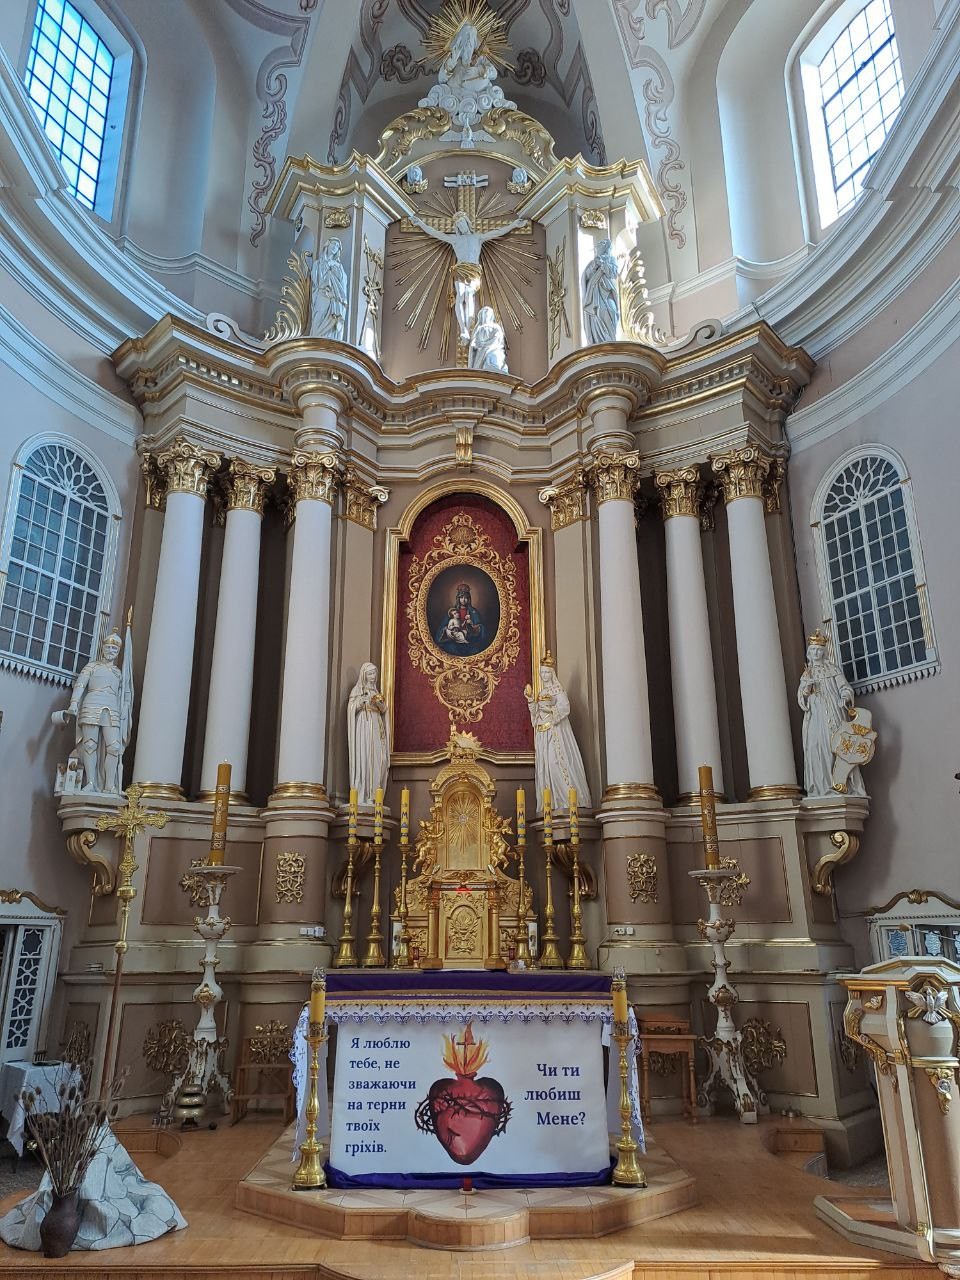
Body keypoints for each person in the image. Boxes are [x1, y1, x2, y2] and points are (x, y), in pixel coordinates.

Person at [408, 210, 526, 341]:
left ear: (467, 223)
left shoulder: (478, 237)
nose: (461, 226)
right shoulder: (455, 239)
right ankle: (463, 329)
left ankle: (468, 327)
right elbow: (435, 233)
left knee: (469, 295)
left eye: (462, 223)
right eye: (458, 224)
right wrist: (420, 224)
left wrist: (514, 225)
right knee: (460, 295)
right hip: (461, 269)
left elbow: (498, 232)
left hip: (474, 270)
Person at [53, 625, 133, 794]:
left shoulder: (119, 673)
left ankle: (109, 785)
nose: (111, 651)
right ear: (103, 648)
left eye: (114, 649)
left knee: (114, 747)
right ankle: (90, 782)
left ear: (118, 651)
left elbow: (124, 694)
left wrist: (126, 705)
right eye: (108, 647)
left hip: (112, 709)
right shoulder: (91, 667)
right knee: (90, 745)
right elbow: (80, 685)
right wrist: (74, 703)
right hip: (91, 705)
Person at [797, 630, 865, 798]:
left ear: (824, 651)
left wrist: (844, 697)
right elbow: (802, 698)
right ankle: (823, 787)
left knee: (836, 745)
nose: (816, 653)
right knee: (817, 746)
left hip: (835, 711)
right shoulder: (807, 673)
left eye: (819, 650)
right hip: (816, 714)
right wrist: (807, 687)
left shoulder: (832, 668)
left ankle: (842, 785)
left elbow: (845, 687)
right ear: (809, 653)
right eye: (813, 650)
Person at [525, 657, 592, 813]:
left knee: (555, 763)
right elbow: (535, 714)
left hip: (556, 733)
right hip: (543, 732)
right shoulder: (542, 692)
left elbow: (565, 708)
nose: (544, 675)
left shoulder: (557, 690)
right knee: (546, 766)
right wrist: (531, 701)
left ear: (552, 673)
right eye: (542, 672)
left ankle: (567, 799)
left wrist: (549, 710)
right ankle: (553, 802)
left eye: (546, 672)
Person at [346, 663, 389, 807]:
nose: (373, 676)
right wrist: (360, 702)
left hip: (377, 726)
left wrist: (380, 704)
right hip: (364, 727)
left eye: (374, 673)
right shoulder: (357, 691)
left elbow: (384, 711)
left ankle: (376, 794)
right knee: (366, 758)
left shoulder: (377, 692)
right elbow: (351, 708)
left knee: (381, 759)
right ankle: (365, 794)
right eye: (370, 674)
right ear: (364, 676)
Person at [582, 238, 621, 345]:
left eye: (602, 244)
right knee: (598, 313)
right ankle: (599, 342)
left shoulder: (611, 259)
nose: (599, 245)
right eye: (598, 245)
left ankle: (611, 340)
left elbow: (613, 273)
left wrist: (603, 264)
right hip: (595, 295)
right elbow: (586, 276)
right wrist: (595, 265)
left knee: (611, 310)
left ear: (606, 247)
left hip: (607, 292)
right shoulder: (592, 263)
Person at [309, 238, 348, 340]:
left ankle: (331, 339)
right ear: (328, 245)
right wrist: (326, 267)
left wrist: (336, 271)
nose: (335, 247)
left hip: (335, 298)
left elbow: (343, 282)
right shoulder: (318, 263)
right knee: (319, 314)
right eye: (333, 244)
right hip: (322, 294)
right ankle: (316, 338)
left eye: (337, 247)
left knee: (333, 318)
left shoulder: (339, 266)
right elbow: (316, 280)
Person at [435, 583, 486, 655]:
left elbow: (481, 627)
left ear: (469, 599)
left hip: (470, 639)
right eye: (461, 598)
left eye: (466, 598)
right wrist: (447, 630)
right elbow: (443, 626)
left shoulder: (473, 611)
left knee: (475, 650)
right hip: (453, 639)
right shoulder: (453, 611)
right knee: (450, 649)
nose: (463, 600)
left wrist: (472, 625)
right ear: (458, 599)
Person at [468, 306, 508, 373]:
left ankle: (493, 369)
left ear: (491, 316)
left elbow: (497, 338)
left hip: (493, 348)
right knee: (481, 362)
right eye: (484, 313)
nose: (486, 315)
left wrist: (485, 344)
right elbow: (474, 341)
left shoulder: (496, 326)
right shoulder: (478, 328)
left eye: (487, 313)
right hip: (481, 350)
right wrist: (476, 345)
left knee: (493, 357)